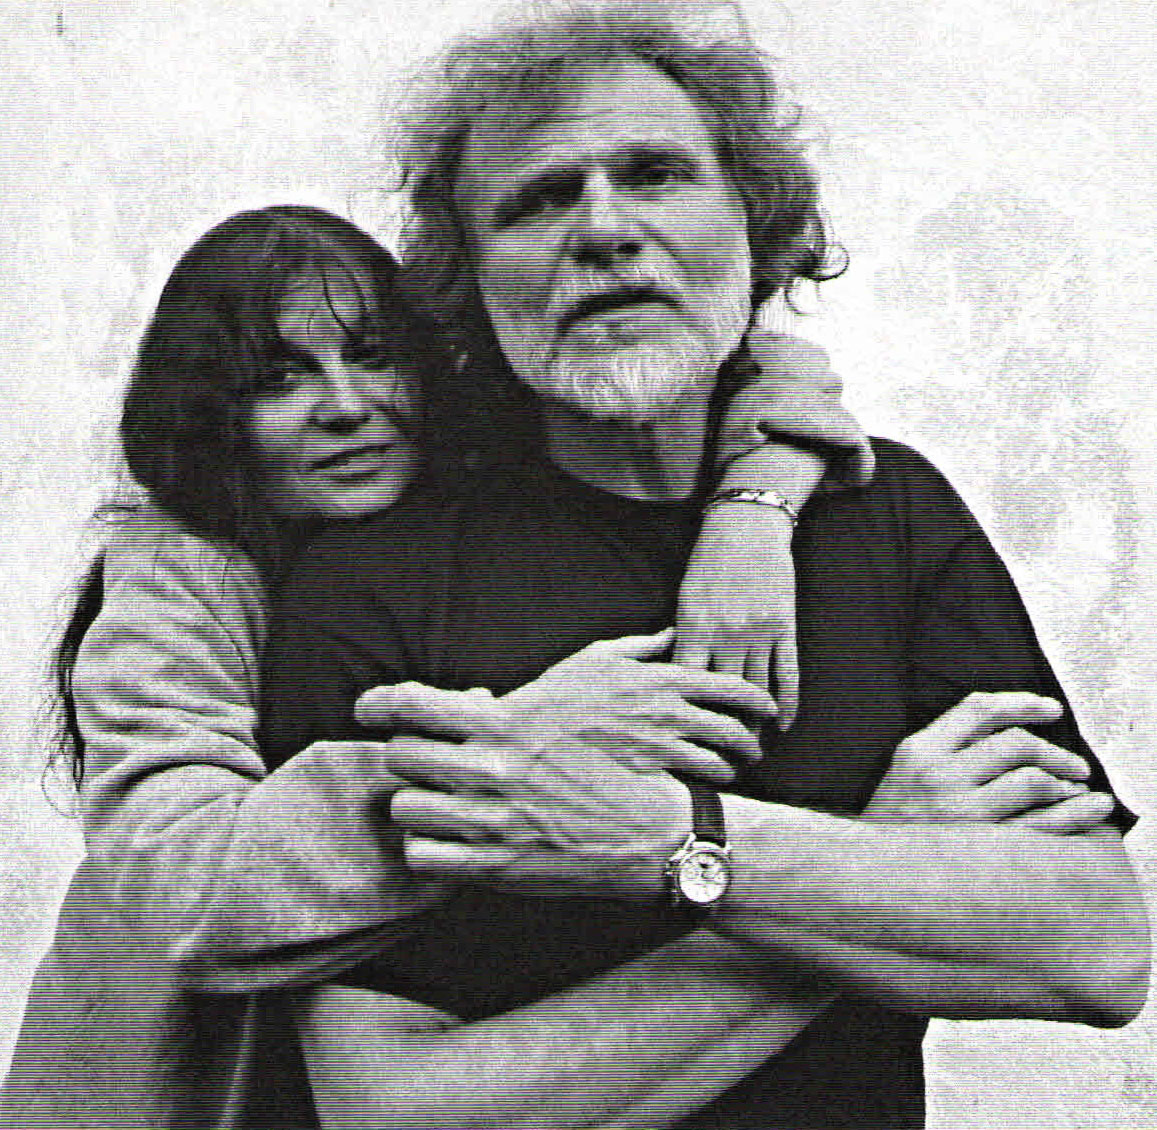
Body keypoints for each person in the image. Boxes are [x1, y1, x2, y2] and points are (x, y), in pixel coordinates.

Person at [258, 8, 1151, 1130]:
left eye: (654, 173)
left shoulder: (884, 511)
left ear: (751, 220)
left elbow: (1096, 948)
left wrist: (668, 840)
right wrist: (880, 870)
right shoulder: (371, 582)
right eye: (536, 201)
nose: (603, 229)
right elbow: (388, 1106)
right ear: (470, 283)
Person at [0, 198, 879, 1128]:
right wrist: (506, 752)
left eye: (373, 355)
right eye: (280, 379)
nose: (346, 407)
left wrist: (752, 515)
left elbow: (767, 367)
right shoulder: (178, 573)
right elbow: (183, 890)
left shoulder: (467, 480)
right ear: (210, 414)